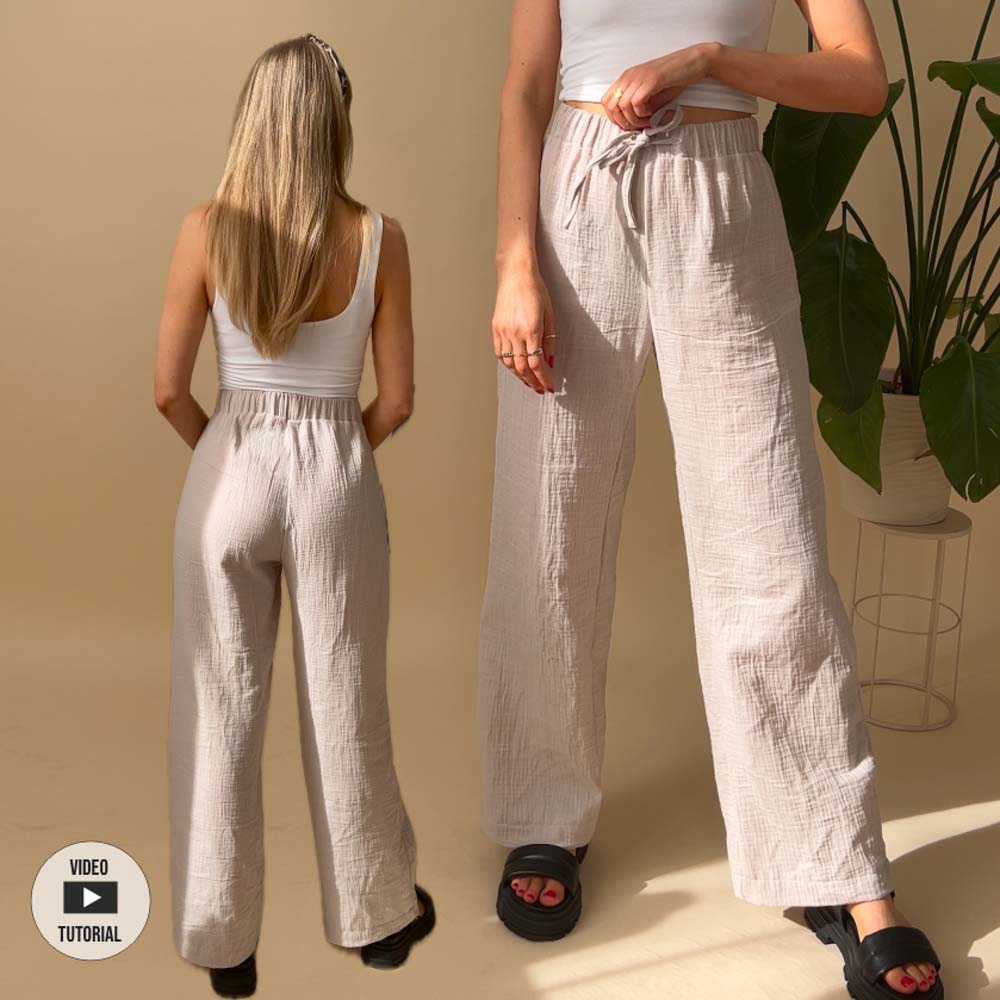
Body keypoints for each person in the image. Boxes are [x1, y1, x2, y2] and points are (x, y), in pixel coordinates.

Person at [478, 1, 942, 996]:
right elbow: (526, 84)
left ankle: (837, 866)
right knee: (548, 524)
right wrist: (515, 263)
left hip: (723, 192)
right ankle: (541, 814)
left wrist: (709, 62)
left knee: (770, 540)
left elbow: (859, 77)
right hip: (574, 195)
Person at [154, 33, 434, 997]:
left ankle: (223, 944)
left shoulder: (205, 230)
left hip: (227, 473)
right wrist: (335, 459)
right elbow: (397, 400)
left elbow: (167, 391)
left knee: (219, 706)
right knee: (346, 700)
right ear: (335, 123)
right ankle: (378, 920)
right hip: (334, 481)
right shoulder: (380, 238)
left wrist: (228, 460)